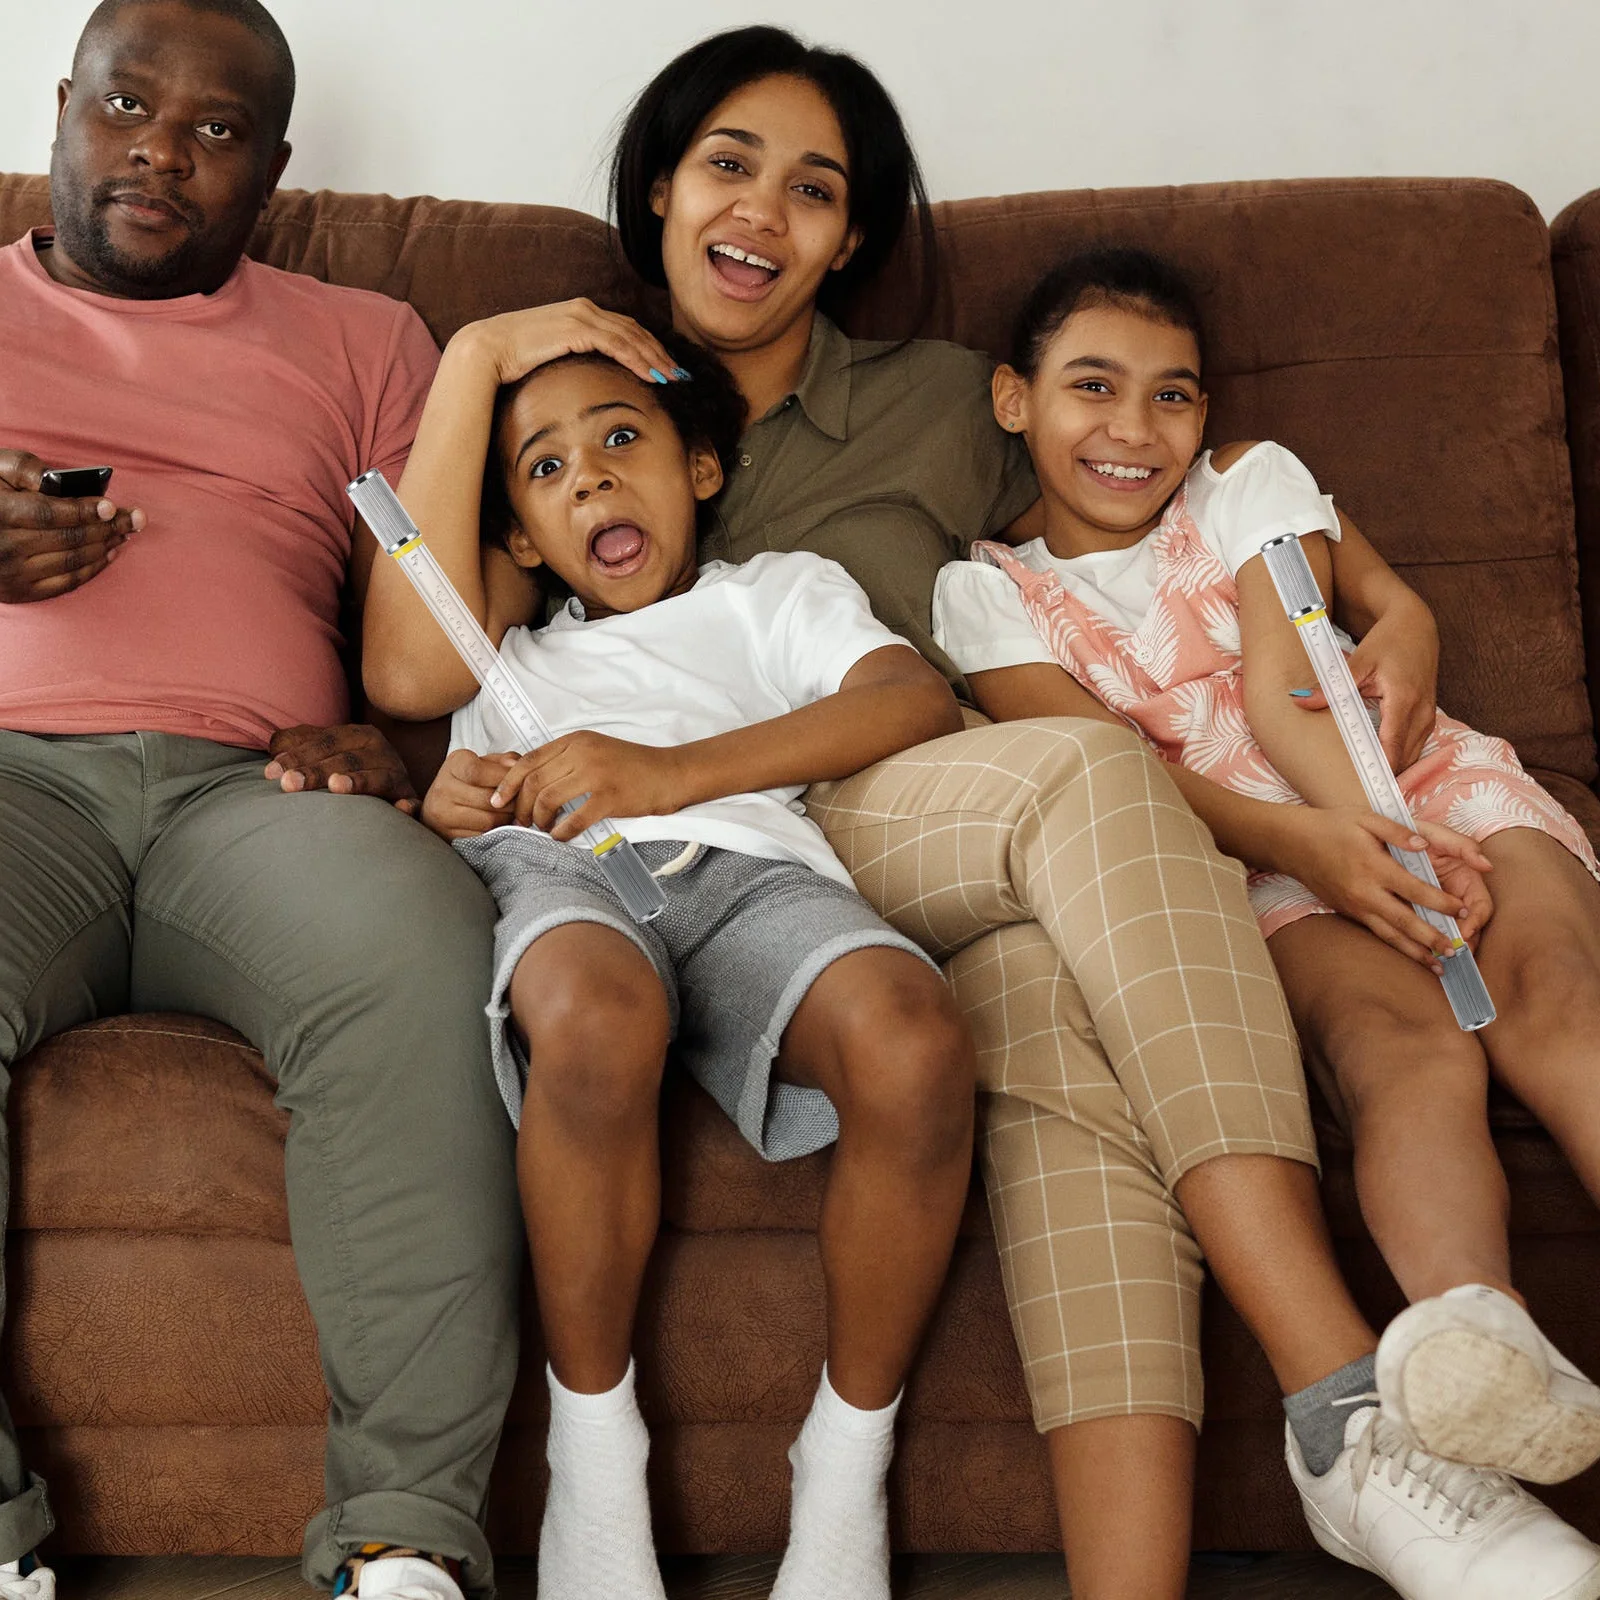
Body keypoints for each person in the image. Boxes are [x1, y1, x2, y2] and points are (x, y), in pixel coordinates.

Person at [408, 26, 1547, 1600]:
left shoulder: (942, 401)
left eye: (815, 189)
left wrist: (1387, 599)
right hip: (803, 825)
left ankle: (1273, 1467)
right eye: (727, 164)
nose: (761, 213)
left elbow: (1146, 494)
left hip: (914, 784)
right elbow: (424, 657)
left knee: (1054, 906)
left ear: (853, 235)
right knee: (1067, 855)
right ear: (661, 185)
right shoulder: (551, 402)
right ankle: (1323, 1423)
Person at [932, 242, 1600, 1599]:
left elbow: (1297, 677)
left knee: (1552, 998)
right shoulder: (985, 593)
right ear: (1014, 398)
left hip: (1405, 786)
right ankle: (1485, 1345)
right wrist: (1331, 859)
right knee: (1400, 1049)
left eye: (1171, 396)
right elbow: (1119, 773)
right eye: (1092, 388)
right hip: (1255, 860)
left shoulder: (1251, 485)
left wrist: (1391, 839)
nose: (1135, 430)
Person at [0, 4, 521, 1598]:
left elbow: (441, 612)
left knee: (424, 959)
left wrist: (402, 752)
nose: (161, 146)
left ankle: (401, 1540)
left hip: (266, 790)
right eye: (128, 105)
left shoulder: (366, 341)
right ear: (64, 108)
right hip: (11, 781)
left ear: (276, 172)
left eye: (218, 130)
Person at [361, 327, 977, 1600]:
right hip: (567, 879)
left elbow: (909, 700)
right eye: (544, 469)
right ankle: (597, 1463)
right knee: (591, 1015)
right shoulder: (502, 653)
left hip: (754, 869)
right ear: (522, 538)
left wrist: (665, 773)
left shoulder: (776, 595)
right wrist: (452, 802)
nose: (589, 477)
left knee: (914, 1040)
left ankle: (843, 1464)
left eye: (620, 438)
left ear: (699, 469)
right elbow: (433, 739)